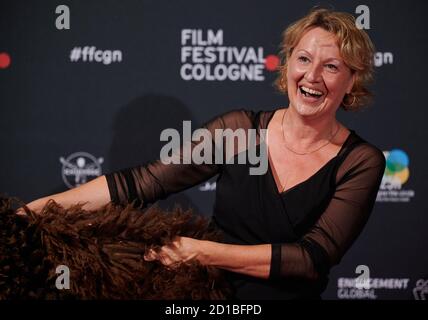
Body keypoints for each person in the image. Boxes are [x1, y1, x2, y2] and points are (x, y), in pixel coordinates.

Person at [23, 8, 386, 299]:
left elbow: (310, 260)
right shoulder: (239, 131)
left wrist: (204, 252)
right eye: (304, 59)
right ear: (289, 64)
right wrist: (29, 212)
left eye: (332, 66)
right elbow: (141, 182)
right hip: (212, 300)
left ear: (352, 81)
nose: (312, 76)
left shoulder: (360, 161)